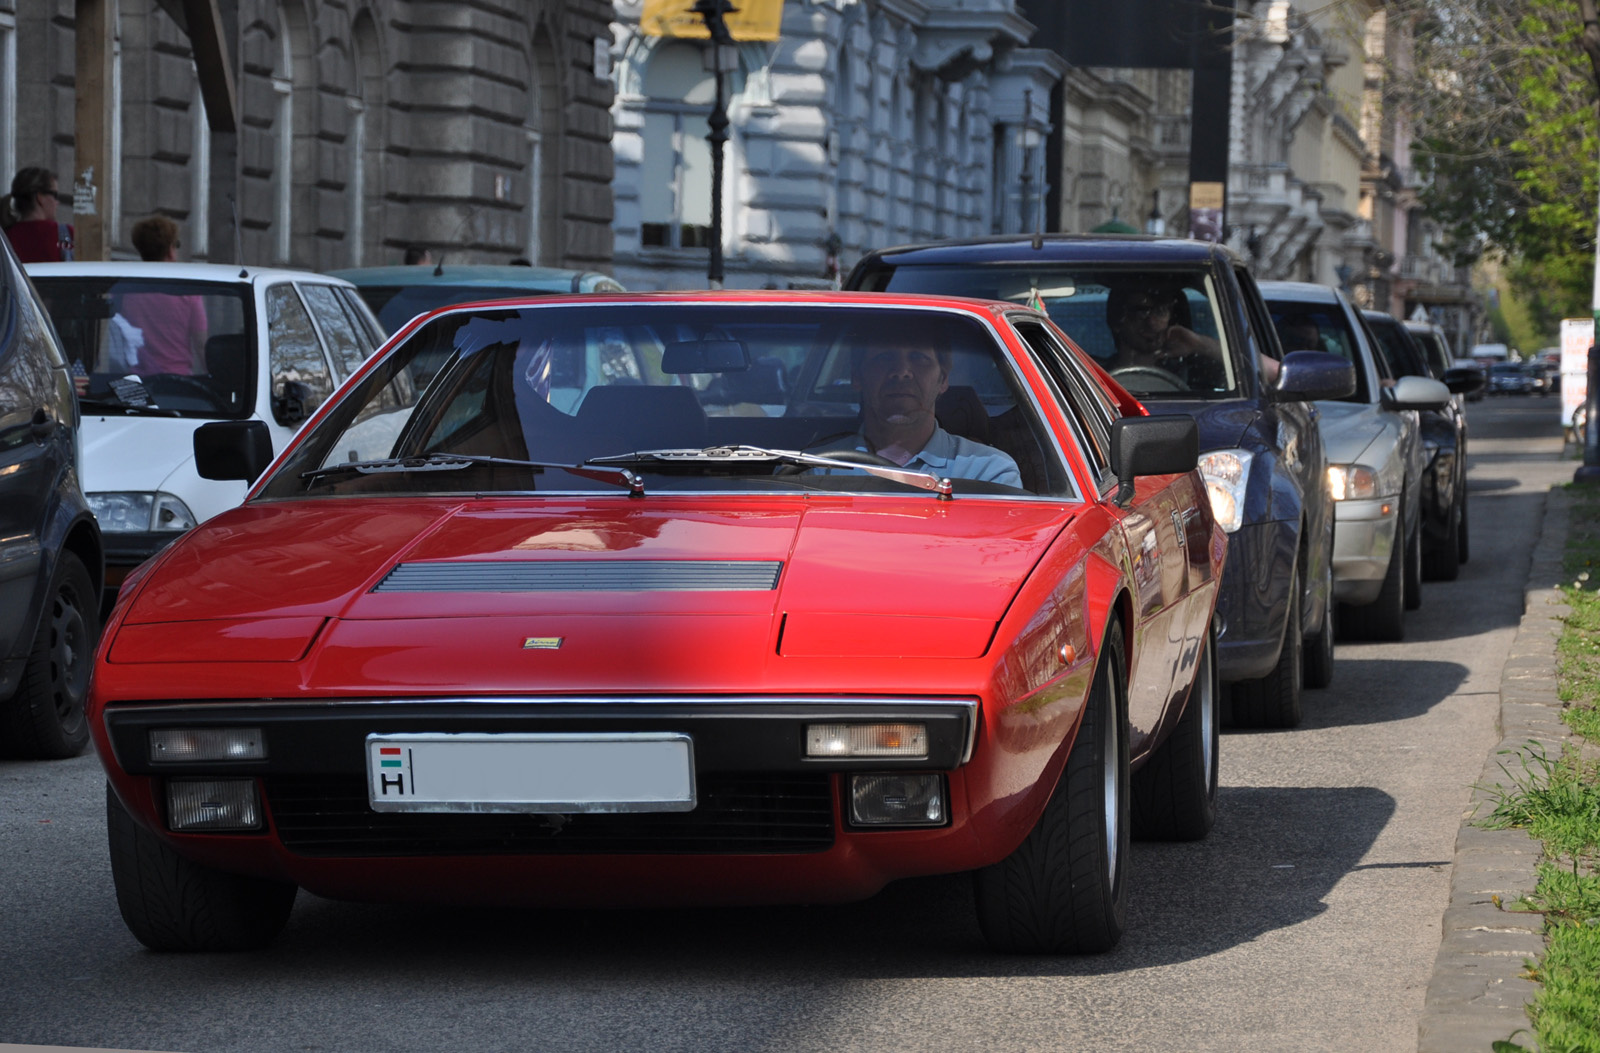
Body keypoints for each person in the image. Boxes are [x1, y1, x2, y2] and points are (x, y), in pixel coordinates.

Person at [811, 318, 1023, 488]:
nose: (901, 372)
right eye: (884, 357)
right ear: (857, 376)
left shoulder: (987, 473)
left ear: (943, 379)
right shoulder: (820, 468)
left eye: (918, 357)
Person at [117, 215, 207, 375]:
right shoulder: (188, 291)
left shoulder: (127, 291)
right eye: (176, 245)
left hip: (139, 382)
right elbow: (201, 343)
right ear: (170, 251)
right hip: (180, 382)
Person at [1, 167, 74, 263]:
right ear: (40, 198)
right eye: (55, 195)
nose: (57, 202)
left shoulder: (5, 238)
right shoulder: (67, 234)